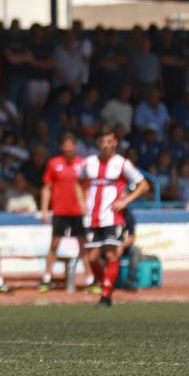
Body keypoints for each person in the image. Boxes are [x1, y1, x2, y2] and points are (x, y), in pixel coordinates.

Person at [79, 131, 149, 308]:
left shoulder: (122, 164)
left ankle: (105, 295)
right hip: (92, 217)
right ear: (98, 143)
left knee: (110, 254)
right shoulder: (89, 163)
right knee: (93, 258)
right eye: (102, 140)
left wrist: (125, 201)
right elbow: (77, 182)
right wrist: (81, 200)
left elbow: (144, 185)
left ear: (115, 143)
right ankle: (107, 288)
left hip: (112, 216)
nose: (106, 144)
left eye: (109, 141)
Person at [38, 133, 87, 292]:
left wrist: (86, 206)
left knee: (83, 245)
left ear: (75, 146)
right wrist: (45, 209)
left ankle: (90, 279)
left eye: (70, 144)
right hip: (60, 210)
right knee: (54, 244)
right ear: (61, 147)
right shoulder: (53, 163)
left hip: (78, 211)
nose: (68, 147)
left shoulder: (82, 164)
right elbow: (46, 187)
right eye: (65, 144)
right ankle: (46, 278)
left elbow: (87, 187)